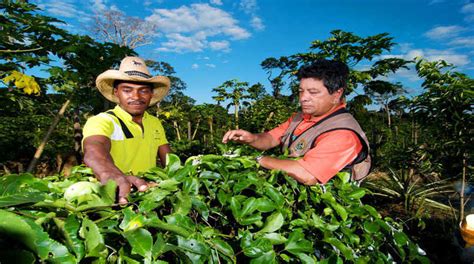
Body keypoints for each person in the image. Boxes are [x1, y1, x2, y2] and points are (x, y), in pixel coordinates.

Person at [222, 59, 371, 185]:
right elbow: (271, 138)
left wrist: (258, 160)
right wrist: (252, 138)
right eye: (301, 91)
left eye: (313, 92)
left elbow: (307, 174)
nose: (303, 98)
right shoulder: (300, 117)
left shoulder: (343, 134)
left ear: (337, 94)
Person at [83, 56, 171, 204]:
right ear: (116, 92)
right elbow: (94, 151)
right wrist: (111, 174)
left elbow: (169, 160)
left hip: (148, 195)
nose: (136, 96)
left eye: (143, 91)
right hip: (114, 197)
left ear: (151, 95)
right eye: (127, 90)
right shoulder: (103, 120)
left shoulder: (155, 123)